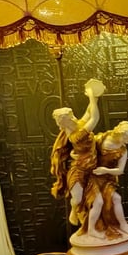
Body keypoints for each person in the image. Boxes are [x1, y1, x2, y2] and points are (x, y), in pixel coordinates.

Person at [50, 79, 104, 228]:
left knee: (97, 200)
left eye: (72, 114)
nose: (73, 116)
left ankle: (93, 226)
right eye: (70, 116)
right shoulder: (76, 136)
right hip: (79, 171)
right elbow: (95, 118)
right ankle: (75, 211)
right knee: (77, 199)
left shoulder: (79, 124)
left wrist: (94, 97)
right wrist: (92, 96)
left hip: (91, 169)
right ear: (66, 122)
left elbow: (89, 112)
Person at [82, 121, 128, 240]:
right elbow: (85, 152)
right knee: (98, 202)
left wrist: (106, 170)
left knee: (117, 198)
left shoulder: (122, 150)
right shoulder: (100, 139)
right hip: (92, 176)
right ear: (121, 134)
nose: (127, 142)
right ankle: (91, 229)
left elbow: (120, 170)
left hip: (106, 178)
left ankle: (123, 224)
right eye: (127, 138)